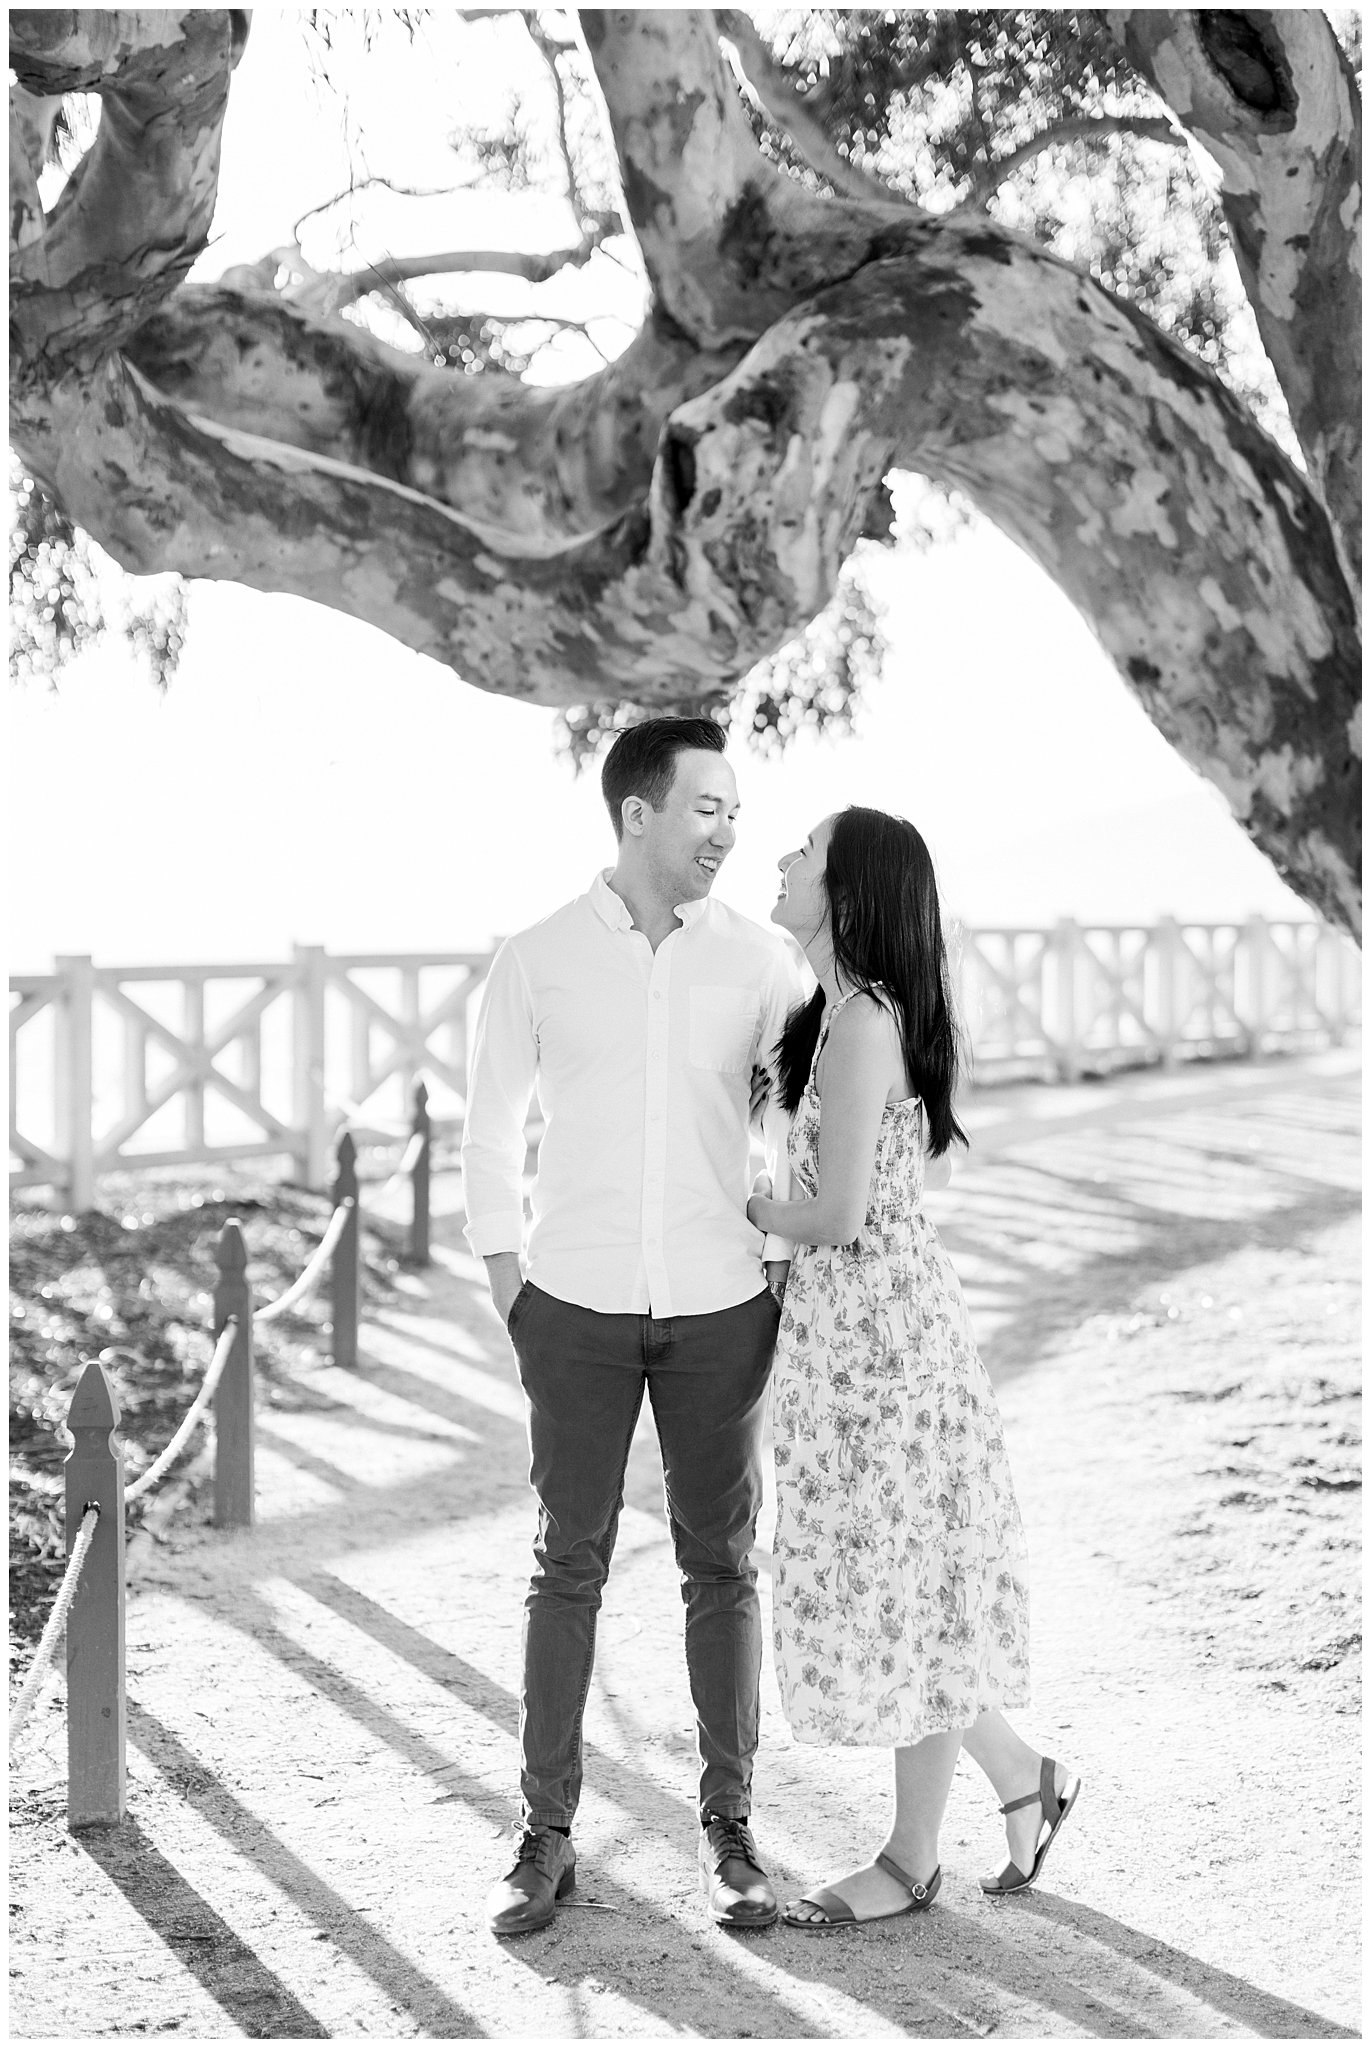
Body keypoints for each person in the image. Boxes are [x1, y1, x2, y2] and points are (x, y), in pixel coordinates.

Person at [462, 716, 804, 1938]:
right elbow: (490, 1130)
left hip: (723, 1309)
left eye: (736, 810)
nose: (726, 830)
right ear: (638, 812)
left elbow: (801, 1121)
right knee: (568, 1564)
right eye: (706, 807)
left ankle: (731, 1830)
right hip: (575, 1309)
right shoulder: (539, 956)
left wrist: (772, 1264)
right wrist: (514, 1288)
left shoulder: (766, 964)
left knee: (724, 1563)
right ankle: (546, 1834)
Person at [746, 807, 1081, 1928]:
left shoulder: (860, 1025)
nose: (783, 860)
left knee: (901, 1585)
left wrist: (744, 1208)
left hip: (878, 1348)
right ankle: (1016, 1786)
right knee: (914, 1586)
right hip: (872, 1338)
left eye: (805, 851)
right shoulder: (839, 1014)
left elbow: (834, 1214)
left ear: (846, 893)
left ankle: (911, 1854)